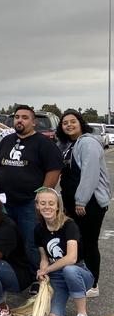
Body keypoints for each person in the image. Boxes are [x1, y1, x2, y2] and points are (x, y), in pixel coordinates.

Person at [0, 104, 62, 272]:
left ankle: (41, 276)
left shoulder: (44, 143)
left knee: (32, 242)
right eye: (17, 117)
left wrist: (42, 196)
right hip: (4, 202)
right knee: (7, 239)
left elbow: (54, 170)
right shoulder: (7, 140)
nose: (19, 120)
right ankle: (16, 273)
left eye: (24, 117)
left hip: (29, 203)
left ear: (34, 122)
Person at [56, 109, 110, 297]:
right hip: (73, 202)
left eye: (73, 121)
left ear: (81, 123)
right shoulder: (68, 145)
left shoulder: (87, 143)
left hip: (90, 203)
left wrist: (81, 200)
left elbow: (90, 174)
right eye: (65, 123)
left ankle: (93, 284)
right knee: (75, 242)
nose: (69, 125)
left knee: (88, 243)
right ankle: (79, 279)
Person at [34, 187, 94, 316]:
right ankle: (59, 308)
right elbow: (44, 258)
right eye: (42, 203)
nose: (47, 206)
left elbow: (71, 258)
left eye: (51, 203)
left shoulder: (69, 225)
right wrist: (42, 271)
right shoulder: (38, 229)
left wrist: (47, 270)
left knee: (69, 270)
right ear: (37, 205)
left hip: (78, 272)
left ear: (58, 206)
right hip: (57, 277)